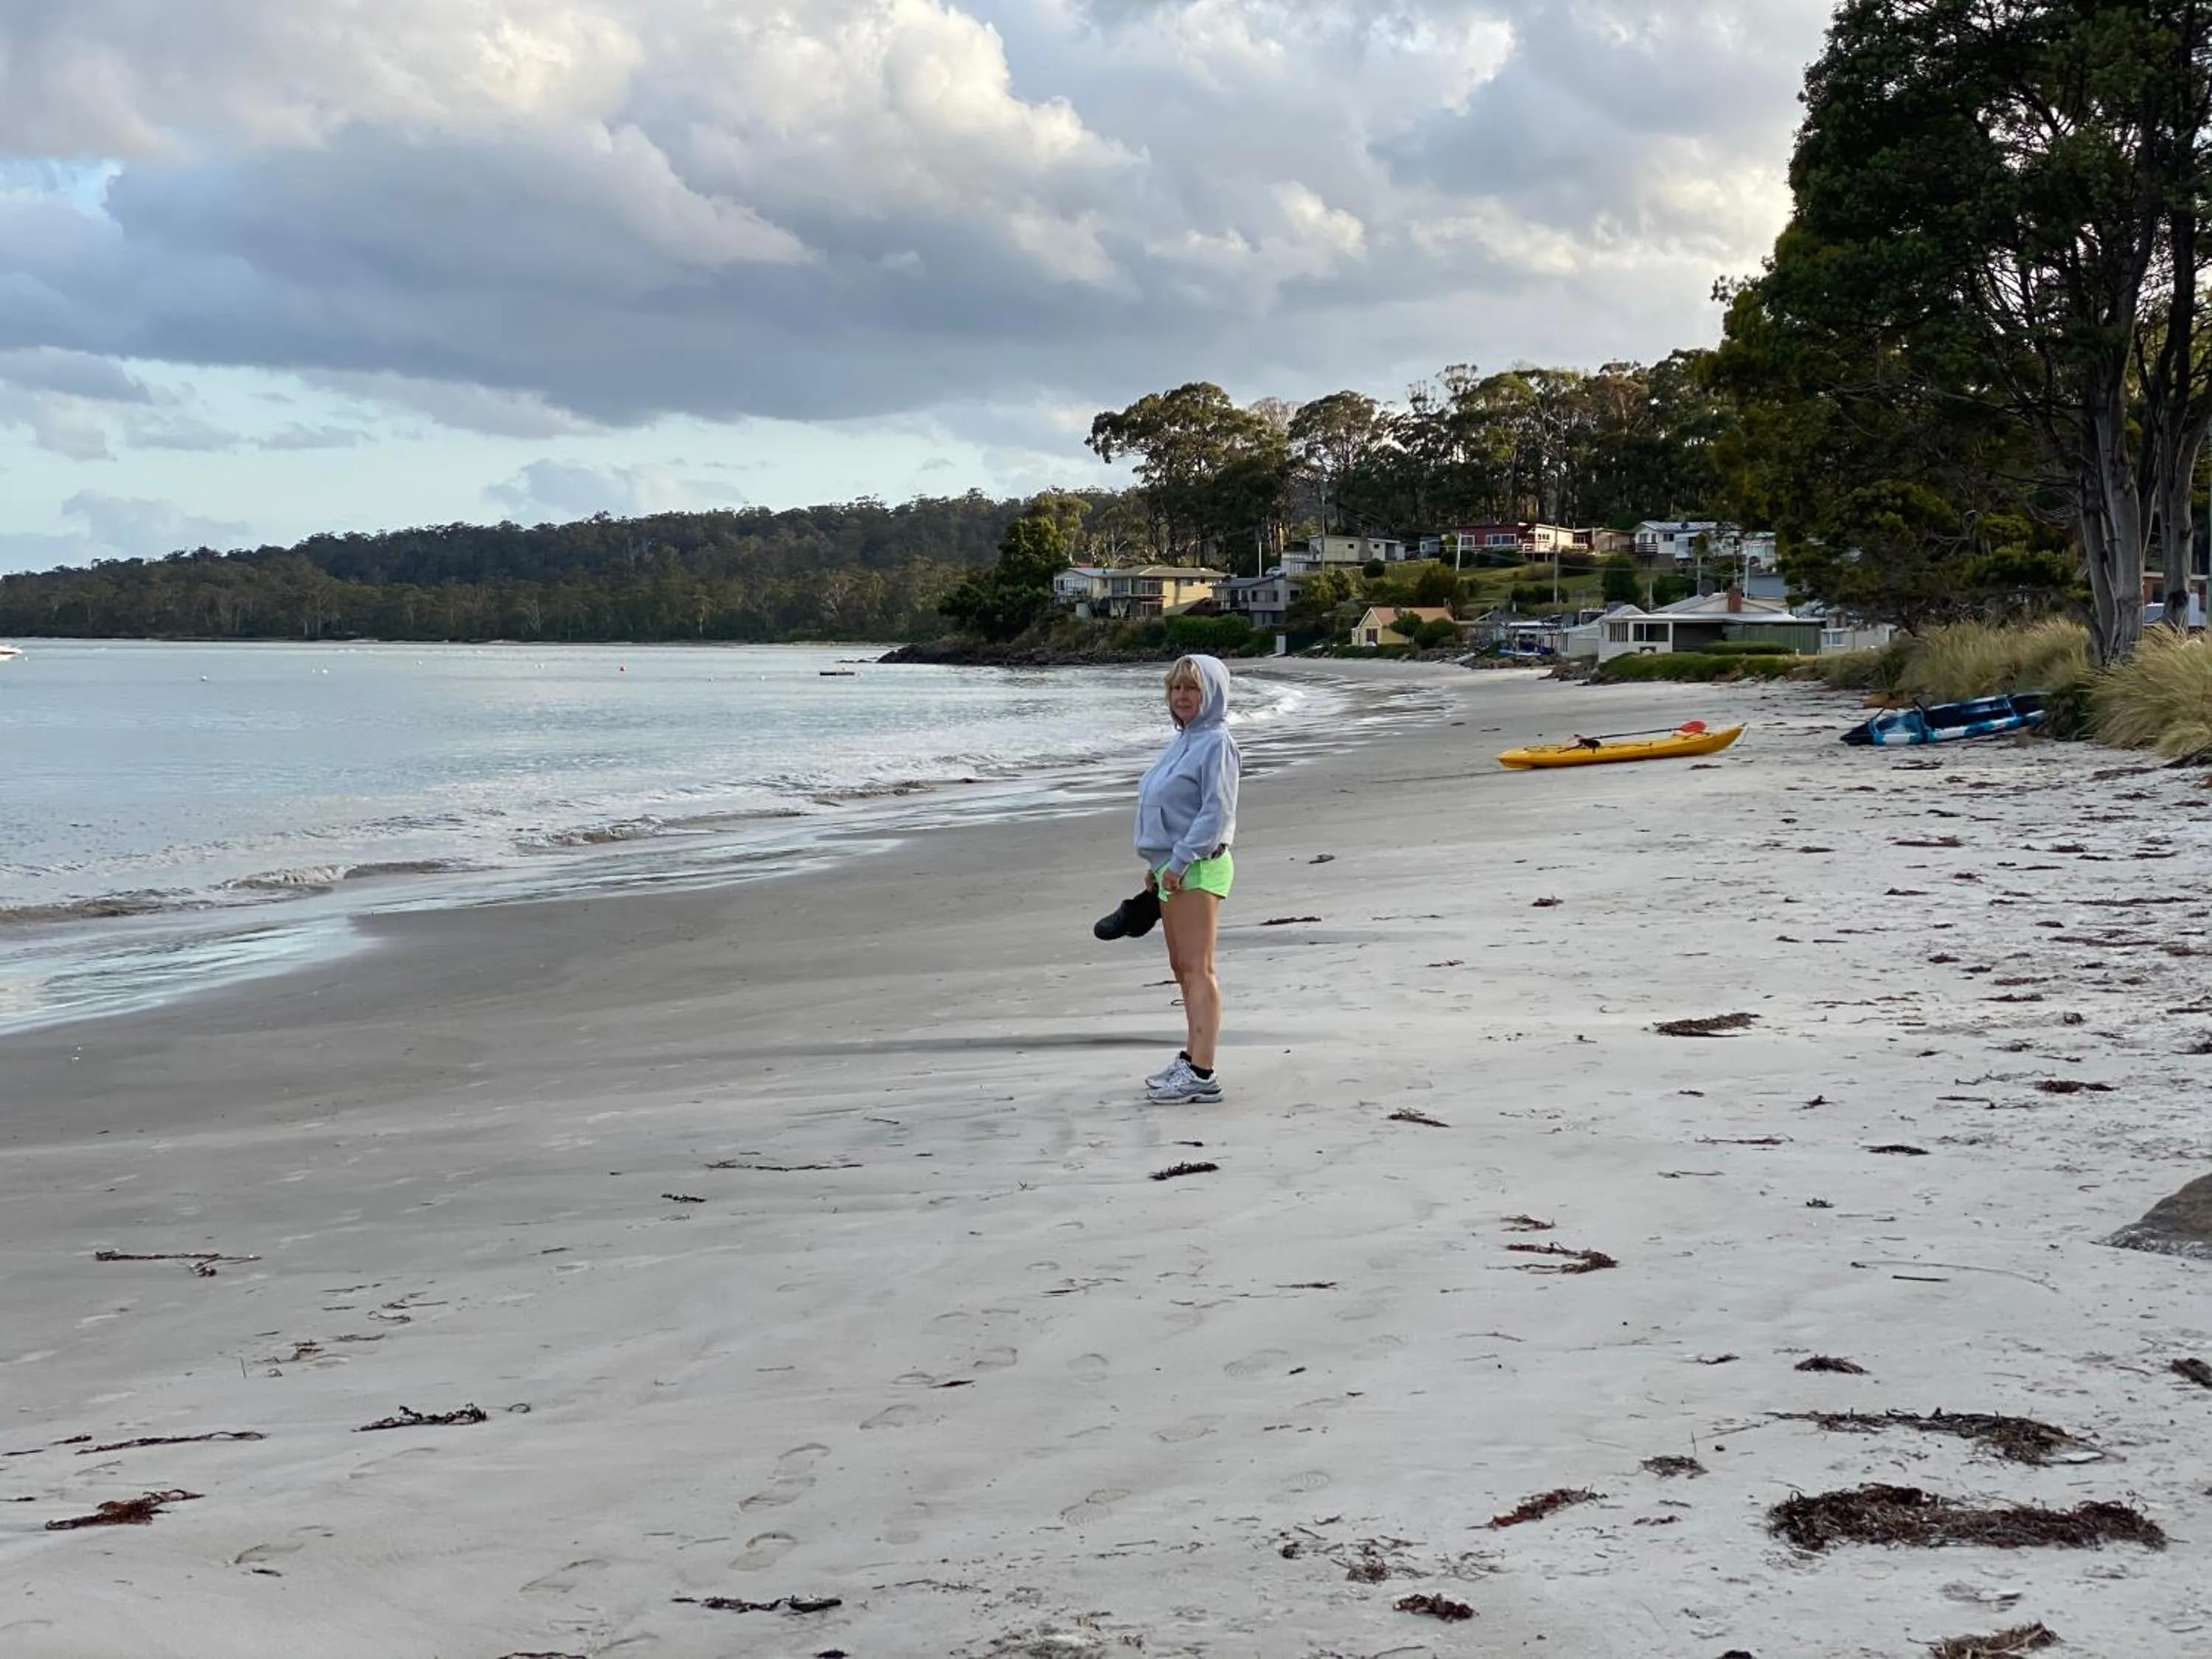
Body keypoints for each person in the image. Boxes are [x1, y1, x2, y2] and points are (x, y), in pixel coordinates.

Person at [1134, 654, 1240, 1104]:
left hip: (1196, 867)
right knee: (1182, 969)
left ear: (1211, 694)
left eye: (1192, 689)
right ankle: (1192, 1055)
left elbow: (1215, 812)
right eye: (1176, 689)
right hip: (1173, 868)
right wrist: (1159, 862)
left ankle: (1202, 1072)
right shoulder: (1184, 741)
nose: (1181, 697)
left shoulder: (1216, 743)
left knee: (1199, 970)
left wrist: (1178, 861)